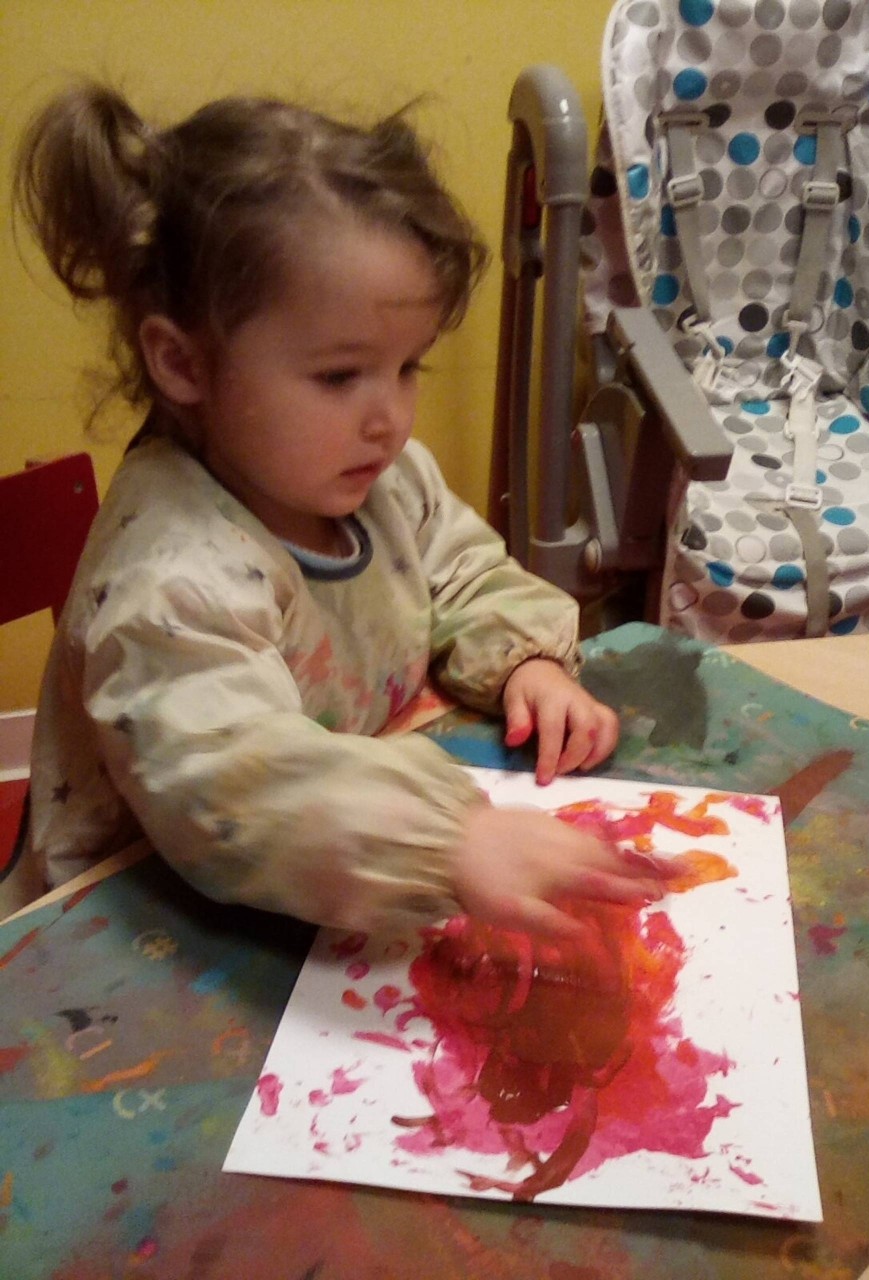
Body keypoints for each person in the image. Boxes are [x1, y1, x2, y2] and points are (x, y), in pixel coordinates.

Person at [14, 82, 651, 938]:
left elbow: (460, 569)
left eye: (407, 367)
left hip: (327, 871)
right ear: (184, 364)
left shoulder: (375, 476)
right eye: (340, 375)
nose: (388, 416)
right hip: (129, 923)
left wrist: (525, 663)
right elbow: (233, 778)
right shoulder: (169, 580)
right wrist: (449, 839)